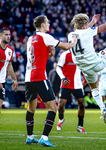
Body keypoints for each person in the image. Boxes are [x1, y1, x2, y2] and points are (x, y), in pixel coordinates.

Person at [25, 15, 78, 147]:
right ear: (43, 24)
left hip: (28, 77)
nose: (49, 24)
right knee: (53, 108)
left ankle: (30, 137)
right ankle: (44, 137)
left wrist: (50, 53)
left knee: (31, 108)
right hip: (39, 76)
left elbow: (41, 56)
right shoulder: (46, 37)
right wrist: (74, 42)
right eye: (47, 22)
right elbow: (65, 46)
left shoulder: (30, 39)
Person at [56, 50, 86, 133]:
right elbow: (58, 67)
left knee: (82, 104)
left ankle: (80, 126)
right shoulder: (65, 54)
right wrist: (63, 78)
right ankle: (61, 119)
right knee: (61, 104)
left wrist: (85, 80)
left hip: (77, 84)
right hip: (66, 83)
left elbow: (84, 68)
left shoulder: (81, 55)